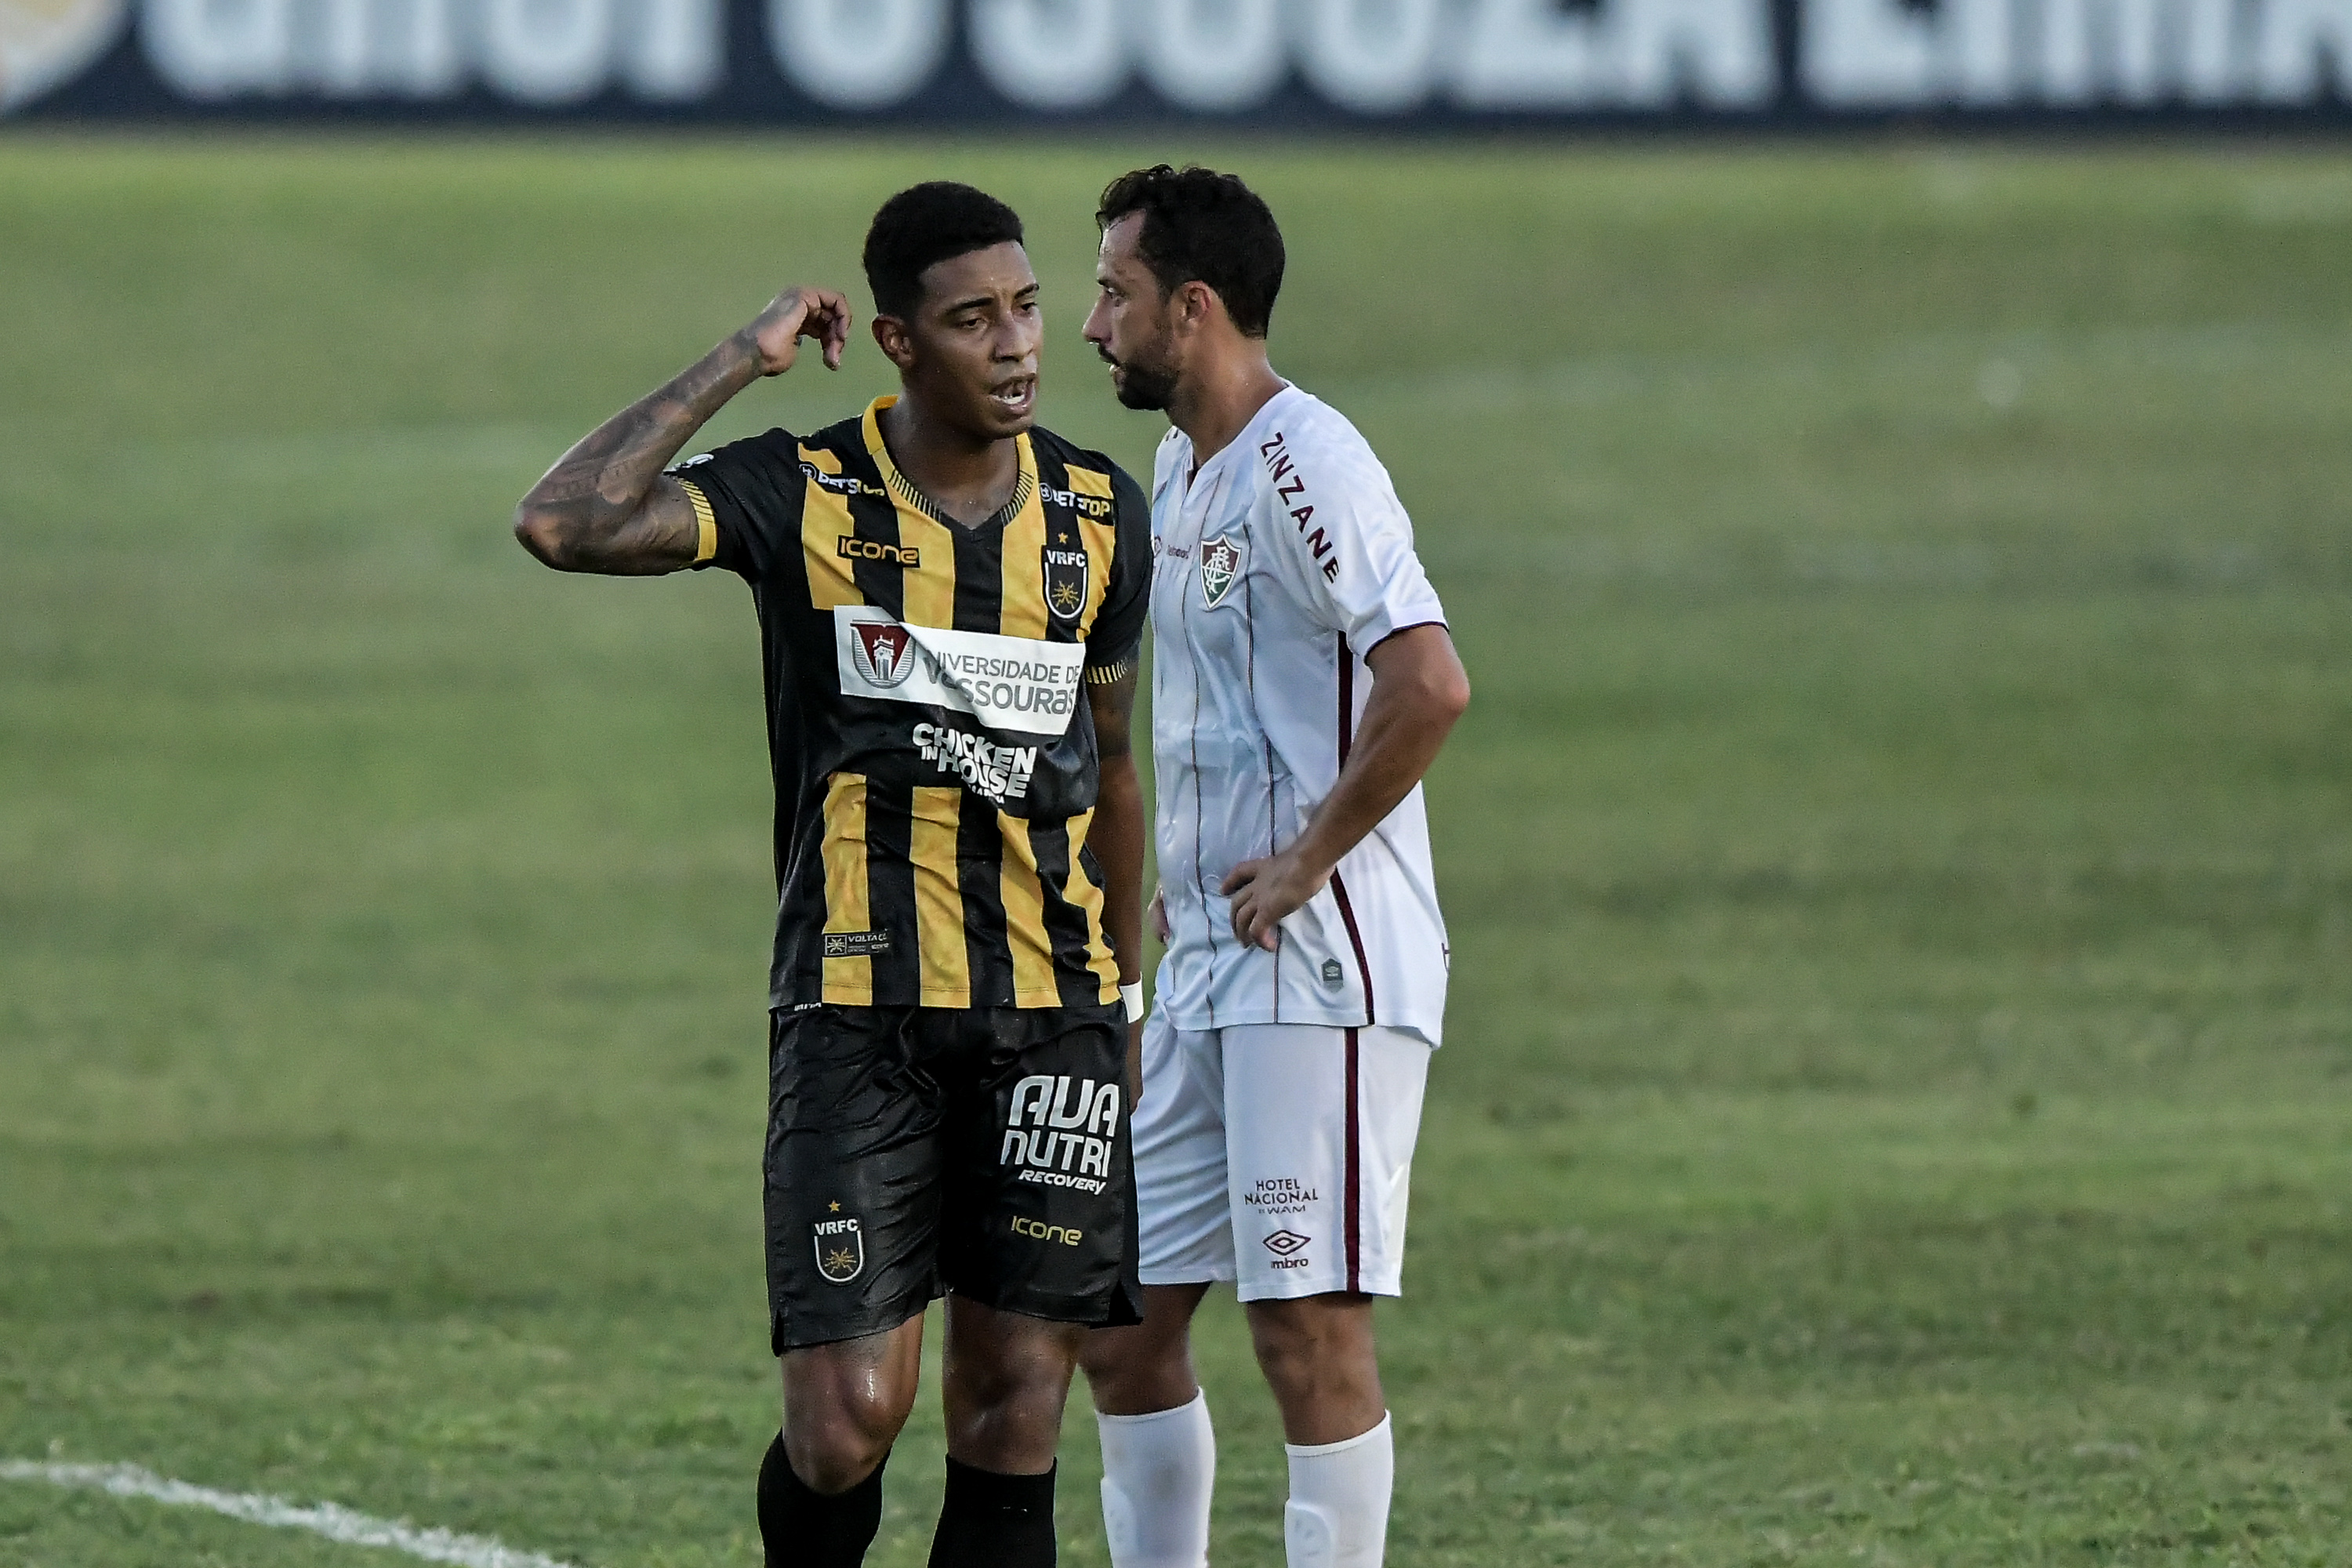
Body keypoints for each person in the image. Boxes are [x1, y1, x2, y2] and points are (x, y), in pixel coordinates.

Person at [512, 181, 1152, 1568]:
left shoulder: (1103, 517)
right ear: (899, 341)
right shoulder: (806, 491)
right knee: (847, 1422)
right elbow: (564, 521)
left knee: (1012, 1412)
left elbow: (1108, 764)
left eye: (1030, 308)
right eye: (973, 320)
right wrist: (740, 360)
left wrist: (1130, 1006)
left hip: (1057, 1016)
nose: (1019, 346)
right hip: (856, 1015)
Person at [1075, 165, 1471, 1568]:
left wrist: (1307, 858)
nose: (1087, 325)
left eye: (1114, 293)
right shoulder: (1184, 466)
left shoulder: (1314, 464)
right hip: (1207, 971)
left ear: (1194, 308)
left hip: (1319, 967)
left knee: (1306, 1331)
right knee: (1119, 1323)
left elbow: (1427, 682)